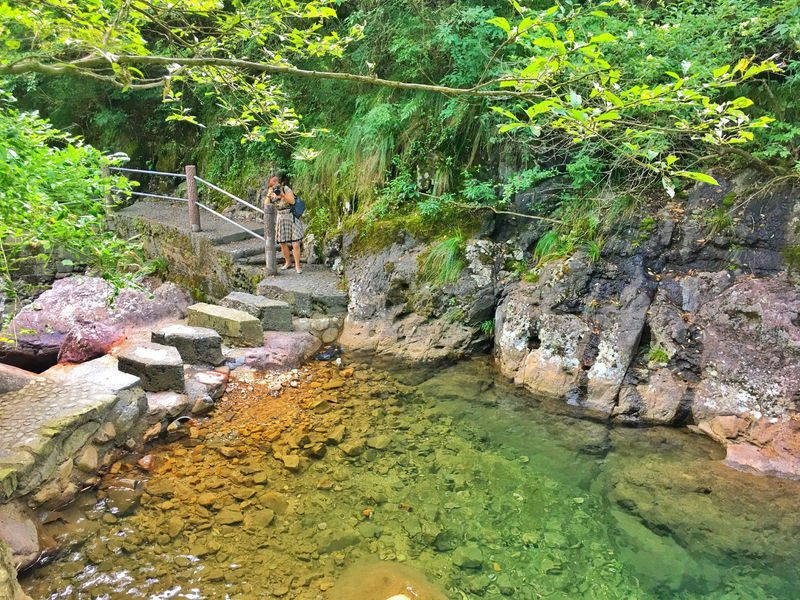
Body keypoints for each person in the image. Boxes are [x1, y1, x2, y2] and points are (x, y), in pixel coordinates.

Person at [264, 172, 304, 274]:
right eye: (273, 181)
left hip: (291, 216)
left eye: (277, 180)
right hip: (281, 217)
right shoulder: (271, 192)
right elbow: (266, 206)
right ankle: (287, 262)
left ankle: (297, 265)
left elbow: (292, 201)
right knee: (282, 242)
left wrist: (282, 194)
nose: (276, 183)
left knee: (295, 243)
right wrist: (269, 195)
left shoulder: (285, 189)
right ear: (269, 184)